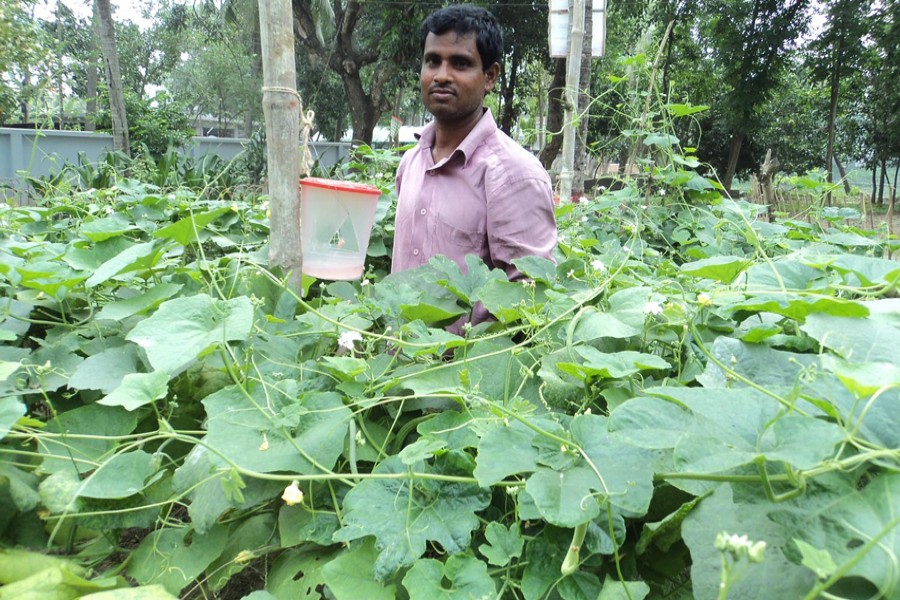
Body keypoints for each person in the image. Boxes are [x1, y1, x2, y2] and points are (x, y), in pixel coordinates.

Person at [391, 4, 557, 327]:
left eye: (460, 63)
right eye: (432, 61)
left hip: (462, 372)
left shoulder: (514, 175)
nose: (441, 75)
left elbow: (530, 297)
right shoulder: (411, 162)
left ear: (490, 77)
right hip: (393, 366)